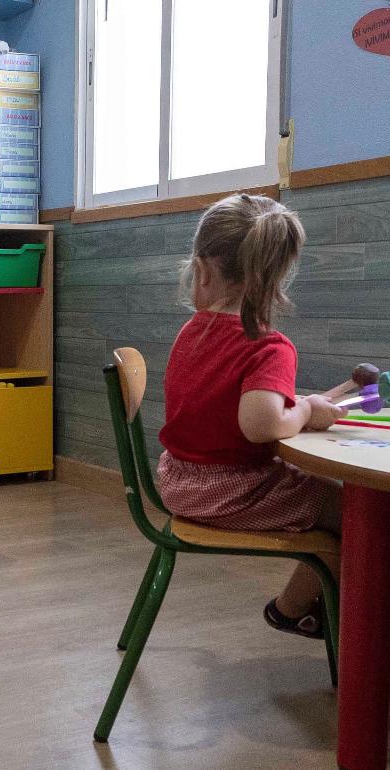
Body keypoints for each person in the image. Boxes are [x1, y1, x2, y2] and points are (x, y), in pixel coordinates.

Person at [157, 193, 344, 638]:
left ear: (202, 271)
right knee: (360, 513)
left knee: (335, 508)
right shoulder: (268, 345)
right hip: (231, 490)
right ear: (277, 276)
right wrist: (303, 410)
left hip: (178, 482)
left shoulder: (192, 332)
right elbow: (259, 425)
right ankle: (296, 610)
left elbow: (224, 404)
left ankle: (310, 608)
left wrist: (289, 405)